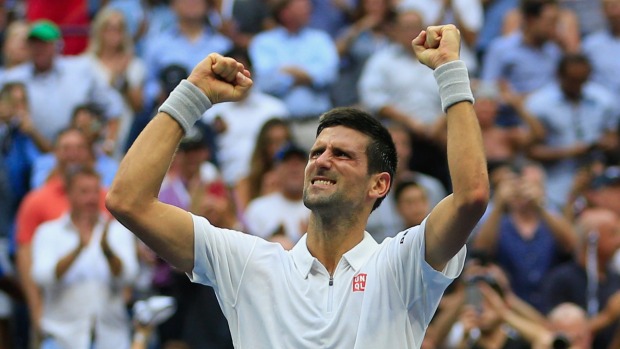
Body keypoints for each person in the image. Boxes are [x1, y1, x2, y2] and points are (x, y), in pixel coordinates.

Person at [106, 24, 489, 348]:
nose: (321, 160)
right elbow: (128, 200)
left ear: (379, 184)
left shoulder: (402, 264)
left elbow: (471, 197)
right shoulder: (248, 264)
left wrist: (450, 70)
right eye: (317, 151)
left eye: (342, 154)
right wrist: (192, 96)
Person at [32, 166, 139, 349]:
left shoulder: (116, 231)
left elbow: (128, 276)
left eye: (95, 191)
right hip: (61, 338)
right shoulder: (48, 232)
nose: (91, 198)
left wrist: (107, 251)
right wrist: (78, 249)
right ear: (69, 194)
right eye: (84, 192)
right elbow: (43, 277)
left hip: (111, 338)